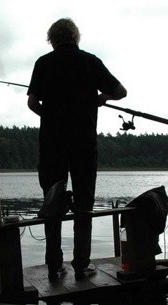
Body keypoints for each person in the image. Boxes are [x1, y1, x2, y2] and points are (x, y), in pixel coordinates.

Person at [27, 18, 127, 281]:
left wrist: (49, 114)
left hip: (51, 144)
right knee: (84, 204)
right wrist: (99, 99)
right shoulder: (90, 61)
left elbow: (32, 103)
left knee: (53, 203)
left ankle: (54, 267)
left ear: (52, 38)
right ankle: (82, 266)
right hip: (84, 144)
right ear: (75, 36)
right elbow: (121, 92)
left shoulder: (43, 63)